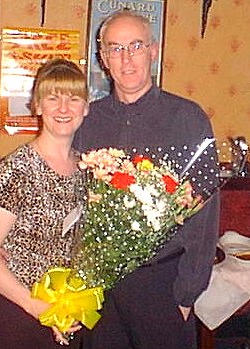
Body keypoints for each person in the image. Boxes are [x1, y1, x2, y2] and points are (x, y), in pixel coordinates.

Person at [73, 10, 220, 349]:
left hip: (163, 286)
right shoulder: (88, 120)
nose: (126, 58)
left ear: (153, 51)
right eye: (115, 48)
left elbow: (205, 213)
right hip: (101, 287)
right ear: (103, 58)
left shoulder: (188, 118)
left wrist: (186, 295)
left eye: (135, 46)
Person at [0, 58, 89, 349]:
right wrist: (35, 306)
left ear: (85, 108)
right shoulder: (17, 170)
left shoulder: (86, 169)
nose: (63, 108)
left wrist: (63, 309)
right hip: (14, 314)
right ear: (37, 106)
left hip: (63, 312)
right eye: (52, 98)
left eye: (73, 99)